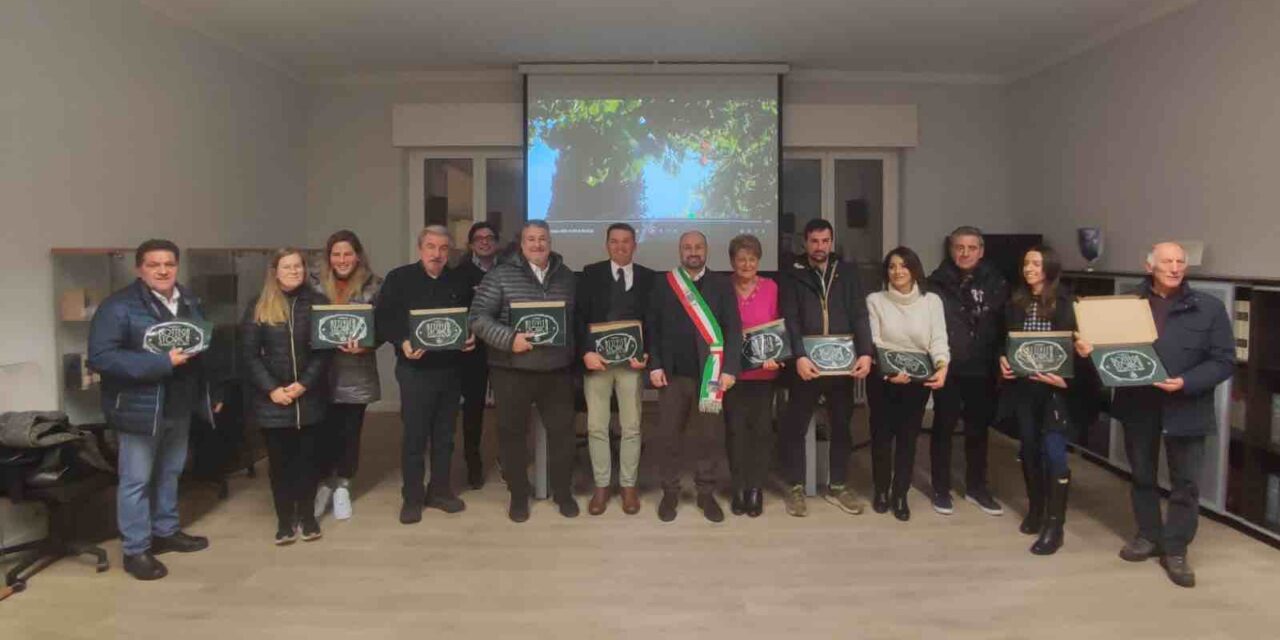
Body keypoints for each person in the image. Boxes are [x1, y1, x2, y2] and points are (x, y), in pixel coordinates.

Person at [1079, 242, 1233, 587]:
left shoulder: (1208, 308)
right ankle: (1148, 536)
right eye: (1167, 261)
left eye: (1181, 261)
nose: (1175, 267)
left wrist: (1186, 382)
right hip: (1139, 407)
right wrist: (1089, 352)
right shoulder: (1126, 305)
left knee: (1186, 484)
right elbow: (1107, 355)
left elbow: (1224, 360)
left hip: (1188, 407)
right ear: (1149, 266)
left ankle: (1176, 549)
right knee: (1142, 477)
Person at [88, 239, 220, 580]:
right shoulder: (117, 307)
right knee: (135, 481)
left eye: (169, 264)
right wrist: (161, 362)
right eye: (153, 264)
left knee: (171, 472)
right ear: (139, 269)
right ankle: (135, 550)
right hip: (138, 408)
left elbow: (203, 348)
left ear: (177, 266)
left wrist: (210, 393)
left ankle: (165, 532)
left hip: (180, 403)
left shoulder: (189, 299)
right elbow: (102, 358)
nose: (162, 270)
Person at [470, 220, 580, 522]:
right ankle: (518, 496)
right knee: (512, 436)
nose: (537, 244)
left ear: (550, 242)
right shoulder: (500, 275)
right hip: (511, 370)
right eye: (531, 239)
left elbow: (574, 323)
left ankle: (562, 493)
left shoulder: (567, 277)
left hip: (556, 371)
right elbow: (478, 318)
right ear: (521, 244)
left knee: (563, 435)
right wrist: (510, 339)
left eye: (542, 239)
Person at [997, 246, 1094, 554]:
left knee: (1054, 453)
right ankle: (1036, 510)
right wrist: (1002, 359)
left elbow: (1086, 353)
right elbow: (1004, 341)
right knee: (1028, 448)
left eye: (1036, 263)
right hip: (1025, 389)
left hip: (1057, 391)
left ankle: (1055, 526)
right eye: (1026, 262)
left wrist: (1067, 378)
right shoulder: (1014, 302)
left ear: (1050, 268)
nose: (1029, 268)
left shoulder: (1070, 304)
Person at [376, 226, 474, 525]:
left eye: (444, 248)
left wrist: (470, 337)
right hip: (414, 371)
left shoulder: (459, 279)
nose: (437, 254)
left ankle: (441, 491)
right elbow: (384, 319)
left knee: (445, 436)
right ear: (420, 249)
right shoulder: (399, 278)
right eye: (431, 247)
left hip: (450, 369)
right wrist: (403, 341)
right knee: (415, 437)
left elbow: (471, 317)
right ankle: (412, 498)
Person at [777, 219, 874, 517]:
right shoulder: (791, 275)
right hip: (805, 365)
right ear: (804, 243)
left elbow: (859, 313)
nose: (820, 247)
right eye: (814, 241)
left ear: (832, 242)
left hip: (842, 365)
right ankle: (794, 487)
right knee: (795, 426)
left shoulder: (847, 272)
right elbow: (789, 318)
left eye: (825, 241)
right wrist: (799, 357)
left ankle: (839, 485)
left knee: (842, 426)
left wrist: (866, 352)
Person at [646, 231, 742, 523]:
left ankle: (705, 492)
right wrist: (656, 364)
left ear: (706, 250)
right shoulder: (665, 284)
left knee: (709, 437)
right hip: (673, 376)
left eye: (698, 246)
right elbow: (653, 327)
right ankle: (670, 492)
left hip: (709, 376)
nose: (693, 252)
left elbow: (733, 329)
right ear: (679, 251)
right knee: (668, 436)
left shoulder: (722, 284)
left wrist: (729, 370)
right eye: (687, 247)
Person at [240, 249, 333, 546]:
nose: (294, 271)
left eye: (298, 266)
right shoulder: (258, 305)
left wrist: (304, 385)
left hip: (309, 398)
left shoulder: (318, 303)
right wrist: (272, 389)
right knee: (280, 465)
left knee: (308, 462)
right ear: (275, 271)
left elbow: (323, 350)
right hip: (272, 402)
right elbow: (249, 356)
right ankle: (283, 522)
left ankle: (307, 518)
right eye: (287, 266)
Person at [926, 226, 1009, 516]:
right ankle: (940, 488)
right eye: (959, 247)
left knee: (978, 431)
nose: (965, 253)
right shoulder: (935, 283)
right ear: (951, 249)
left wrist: (1001, 357)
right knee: (943, 428)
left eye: (971, 248)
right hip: (948, 367)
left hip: (983, 368)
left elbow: (1003, 327)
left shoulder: (997, 283)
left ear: (981, 250)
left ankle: (977, 488)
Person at [575, 223, 655, 515]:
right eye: (614, 242)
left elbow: (653, 322)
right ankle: (601, 486)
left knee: (632, 426)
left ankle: (628, 486)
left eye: (626, 242)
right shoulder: (590, 274)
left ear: (635, 245)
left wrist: (646, 353)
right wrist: (585, 351)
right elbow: (578, 317)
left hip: (631, 364)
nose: (620, 247)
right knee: (596, 426)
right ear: (607, 245)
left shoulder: (648, 277)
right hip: (598, 362)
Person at [866, 247, 949, 521]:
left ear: (914, 269)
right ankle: (881, 490)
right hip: (884, 378)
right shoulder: (875, 300)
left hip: (917, 379)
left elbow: (938, 338)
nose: (897, 271)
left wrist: (942, 365)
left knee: (907, 439)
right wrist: (889, 371)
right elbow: (875, 341)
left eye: (903, 266)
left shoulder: (931, 302)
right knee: (881, 437)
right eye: (892, 266)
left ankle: (900, 494)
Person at [312, 230, 382, 522]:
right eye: (336, 254)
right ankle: (323, 484)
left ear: (358, 255)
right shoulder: (312, 285)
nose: (342, 259)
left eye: (347, 253)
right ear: (329, 257)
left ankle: (342, 486)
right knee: (321, 432)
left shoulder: (375, 286)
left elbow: (384, 326)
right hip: (318, 372)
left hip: (356, 372)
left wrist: (367, 344)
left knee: (349, 432)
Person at [724, 234, 783, 518]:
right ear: (732, 262)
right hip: (732, 375)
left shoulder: (772, 288)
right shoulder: (723, 288)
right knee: (735, 433)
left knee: (760, 433)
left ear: (759, 261)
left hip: (763, 373)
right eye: (741, 259)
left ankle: (755, 489)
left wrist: (778, 354)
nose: (746, 264)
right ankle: (737, 487)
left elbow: (782, 327)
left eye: (752, 259)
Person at [453, 221, 499, 488]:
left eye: (489, 237)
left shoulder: (507, 270)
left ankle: (508, 460)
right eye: (479, 238)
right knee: (473, 408)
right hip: (473, 349)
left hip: (503, 347)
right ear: (471, 245)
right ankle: (473, 462)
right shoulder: (459, 273)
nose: (485, 242)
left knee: (508, 406)